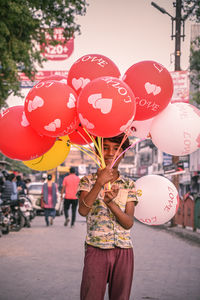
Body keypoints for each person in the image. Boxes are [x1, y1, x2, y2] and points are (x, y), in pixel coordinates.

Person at [78, 133, 138, 300]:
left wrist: (111, 204)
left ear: (123, 154)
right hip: (96, 247)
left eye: (116, 149)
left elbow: (128, 223)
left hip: (124, 250)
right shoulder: (87, 181)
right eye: (105, 148)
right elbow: (83, 211)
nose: (110, 153)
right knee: (91, 295)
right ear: (97, 152)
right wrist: (99, 183)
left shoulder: (129, 184)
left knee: (121, 296)